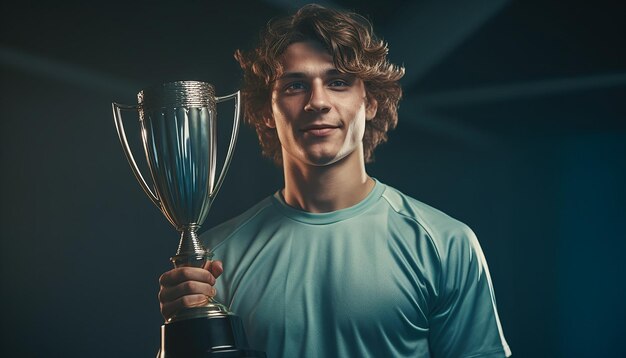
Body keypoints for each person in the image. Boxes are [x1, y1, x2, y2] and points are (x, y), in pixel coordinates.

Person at [158, 4, 512, 357]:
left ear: (369, 101)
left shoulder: (444, 243)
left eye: (338, 82)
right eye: (295, 85)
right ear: (267, 111)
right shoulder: (216, 257)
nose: (318, 101)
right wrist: (179, 338)